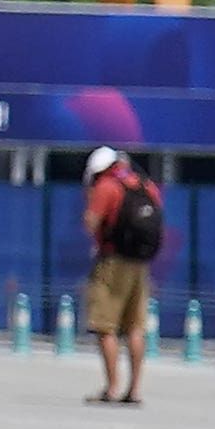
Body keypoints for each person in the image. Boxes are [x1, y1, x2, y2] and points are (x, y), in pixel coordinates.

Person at [81, 146, 163, 407]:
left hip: (113, 262)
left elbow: (92, 222)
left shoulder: (106, 187)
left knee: (106, 326)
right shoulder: (146, 186)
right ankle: (134, 390)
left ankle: (112, 388)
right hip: (140, 264)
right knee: (135, 327)